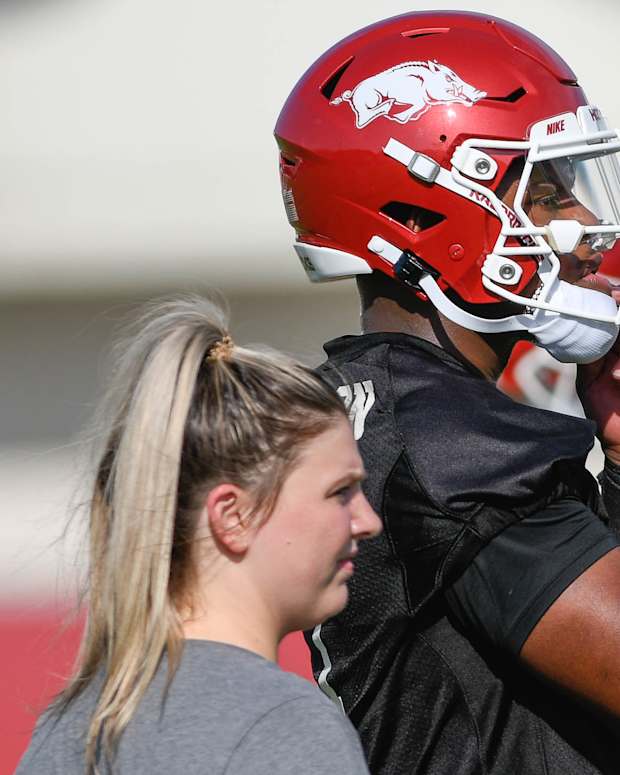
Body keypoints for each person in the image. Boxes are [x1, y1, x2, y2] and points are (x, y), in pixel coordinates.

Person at [274, 11, 620, 774]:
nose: (588, 221)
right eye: (548, 192)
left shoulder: (383, 404)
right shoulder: (453, 442)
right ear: (425, 212)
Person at [16, 295, 381, 774]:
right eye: (340, 492)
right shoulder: (282, 726)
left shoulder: (69, 728)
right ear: (232, 516)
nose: (368, 520)